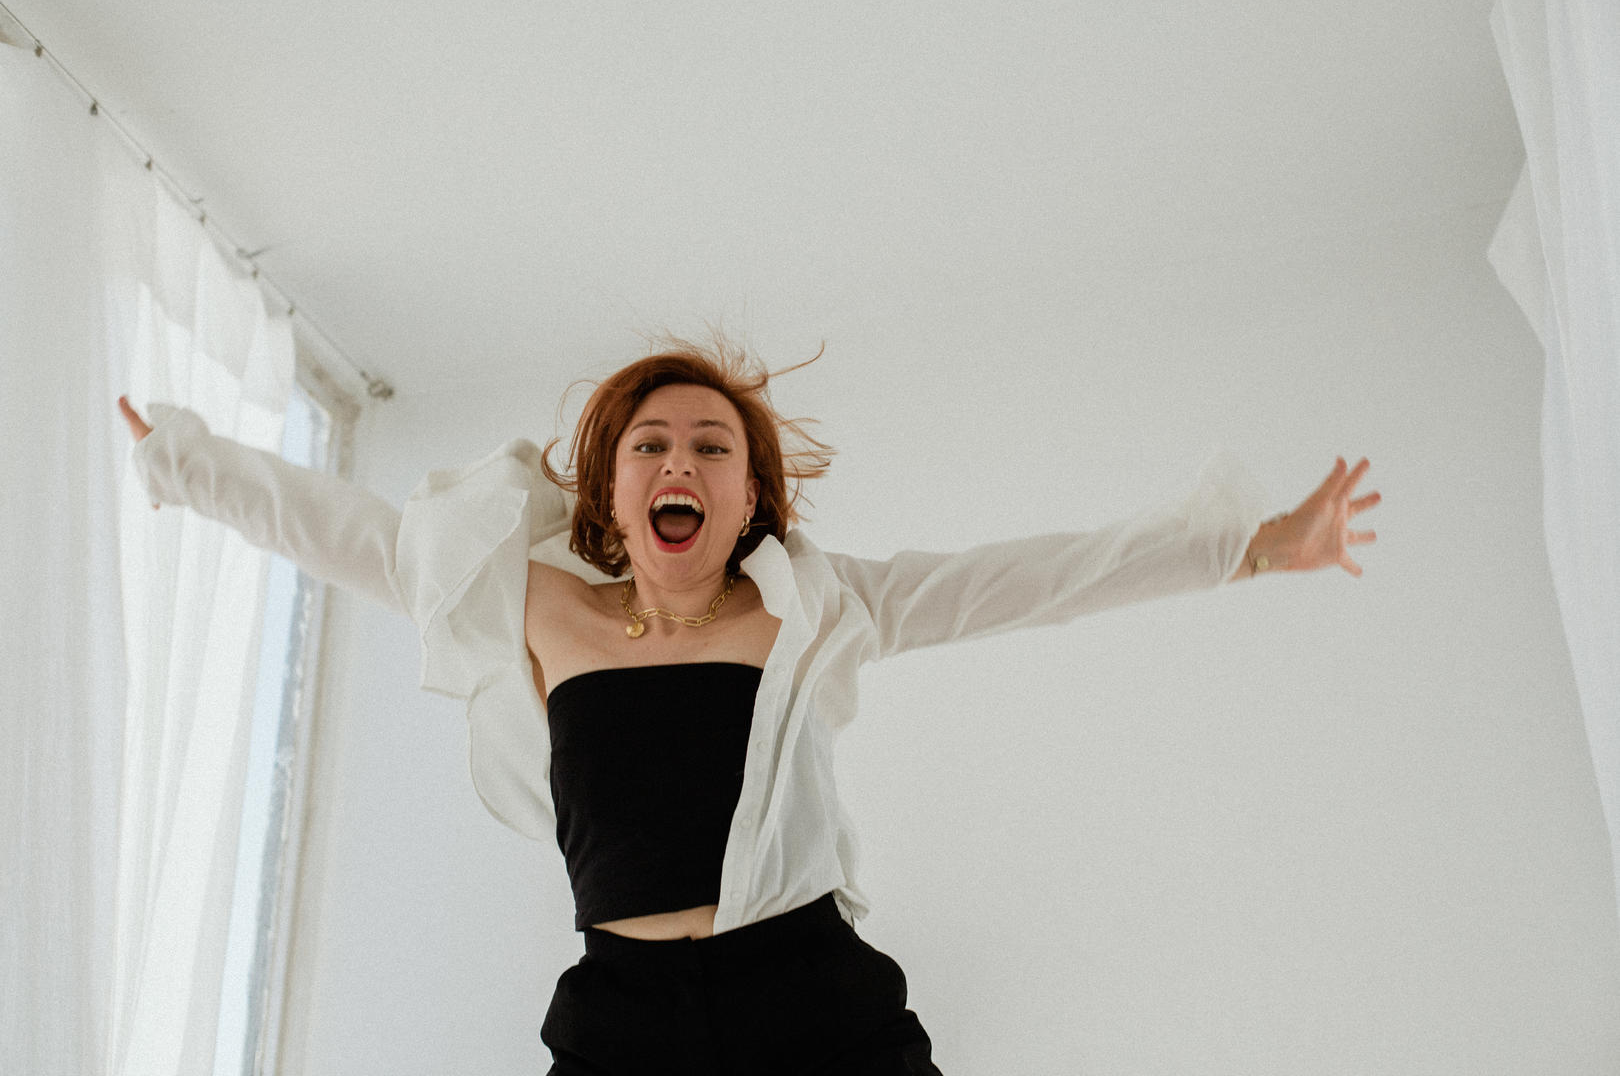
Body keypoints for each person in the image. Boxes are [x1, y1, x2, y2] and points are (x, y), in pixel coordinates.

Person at [117, 329, 1379, 1075]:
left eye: (712, 446)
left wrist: (1246, 547)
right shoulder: (536, 608)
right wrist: (182, 460)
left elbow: (1024, 582)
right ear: (613, 495)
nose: (681, 459)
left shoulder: (816, 607)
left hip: (808, 995)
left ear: (749, 500)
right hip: (621, 1014)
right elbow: (351, 534)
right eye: (651, 444)